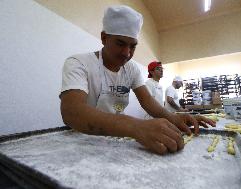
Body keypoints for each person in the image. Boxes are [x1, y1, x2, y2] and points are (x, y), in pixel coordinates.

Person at [60, 5, 215, 155]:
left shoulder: (131, 68)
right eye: (120, 43)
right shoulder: (79, 63)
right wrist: (136, 127)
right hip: (81, 140)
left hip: (115, 139)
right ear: (104, 38)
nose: (127, 53)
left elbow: (148, 101)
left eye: (133, 46)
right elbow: (71, 112)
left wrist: (175, 118)